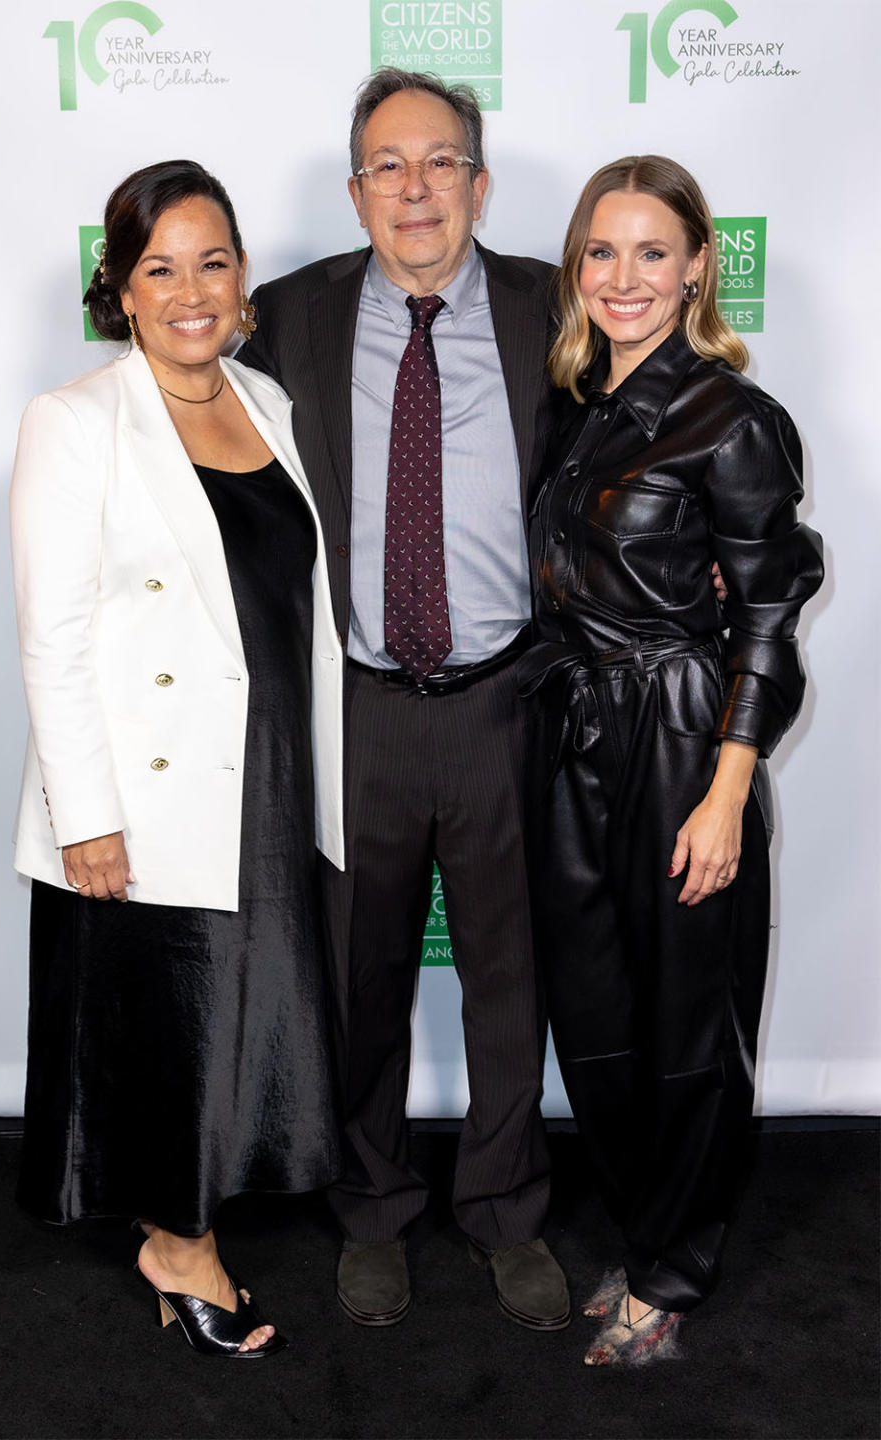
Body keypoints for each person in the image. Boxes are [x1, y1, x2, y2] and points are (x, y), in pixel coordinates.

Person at [240, 69, 570, 1330]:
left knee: (509, 976)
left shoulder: (553, 306)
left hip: (506, 703)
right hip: (358, 706)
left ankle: (505, 1210)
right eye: (388, 165)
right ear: (355, 189)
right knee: (357, 975)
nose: (416, 188)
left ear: (479, 183)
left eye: (440, 163)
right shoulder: (288, 313)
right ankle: (372, 1210)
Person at [10, 159, 345, 1359]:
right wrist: (84, 813)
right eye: (162, 268)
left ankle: (191, 1219)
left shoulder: (267, 400)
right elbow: (49, 638)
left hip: (265, 771)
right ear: (122, 288)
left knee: (239, 1008)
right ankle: (179, 1245)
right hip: (146, 787)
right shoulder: (76, 418)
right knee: (169, 1016)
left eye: (213, 262)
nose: (191, 290)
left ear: (244, 279)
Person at [520, 155, 823, 1365]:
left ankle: (675, 1271)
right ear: (576, 268)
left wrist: (728, 791)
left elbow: (764, 616)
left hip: (687, 742)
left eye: (654, 252)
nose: (625, 277)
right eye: (602, 251)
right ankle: (647, 1231)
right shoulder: (576, 401)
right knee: (595, 1018)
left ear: (699, 263)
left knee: (690, 1025)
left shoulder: (736, 420)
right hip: (573, 741)